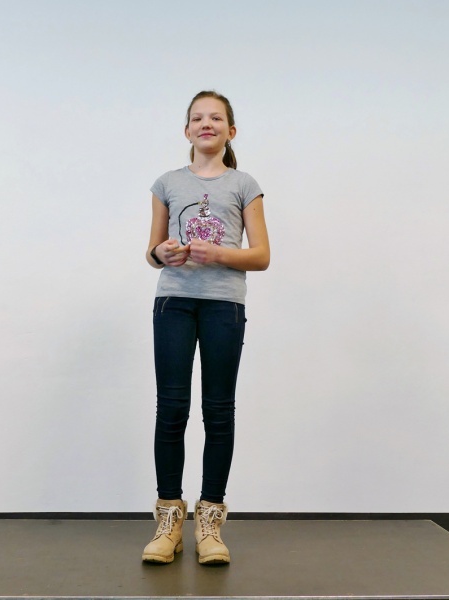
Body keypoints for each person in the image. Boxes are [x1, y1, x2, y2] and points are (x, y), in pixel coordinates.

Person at [141, 91, 270, 565]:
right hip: (174, 302)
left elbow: (262, 255)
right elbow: (151, 250)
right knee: (171, 408)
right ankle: (169, 522)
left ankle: (210, 523)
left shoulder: (244, 184)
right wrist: (162, 253)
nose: (206, 123)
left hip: (223, 307)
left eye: (216, 118)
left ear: (230, 131)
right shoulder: (167, 183)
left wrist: (216, 253)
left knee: (218, 411)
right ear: (187, 130)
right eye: (197, 118)